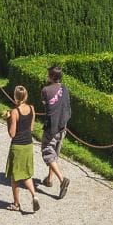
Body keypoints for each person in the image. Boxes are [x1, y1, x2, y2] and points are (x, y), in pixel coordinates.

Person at [5, 85, 41, 213]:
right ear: (26, 96)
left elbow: (12, 134)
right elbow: (31, 128)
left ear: (15, 97)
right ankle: (34, 195)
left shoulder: (15, 112)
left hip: (18, 146)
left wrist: (8, 119)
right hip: (28, 144)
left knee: (15, 177)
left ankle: (16, 204)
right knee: (26, 174)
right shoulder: (31, 108)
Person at [39, 64, 73, 196]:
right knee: (54, 154)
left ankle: (62, 179)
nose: (47, 76)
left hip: (51, 127)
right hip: (63, 126)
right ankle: (49, 179)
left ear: (52, 76)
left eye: (48, 74)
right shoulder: (65, 88)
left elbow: (46, 106)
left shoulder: (45, 90)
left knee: (47, 152)